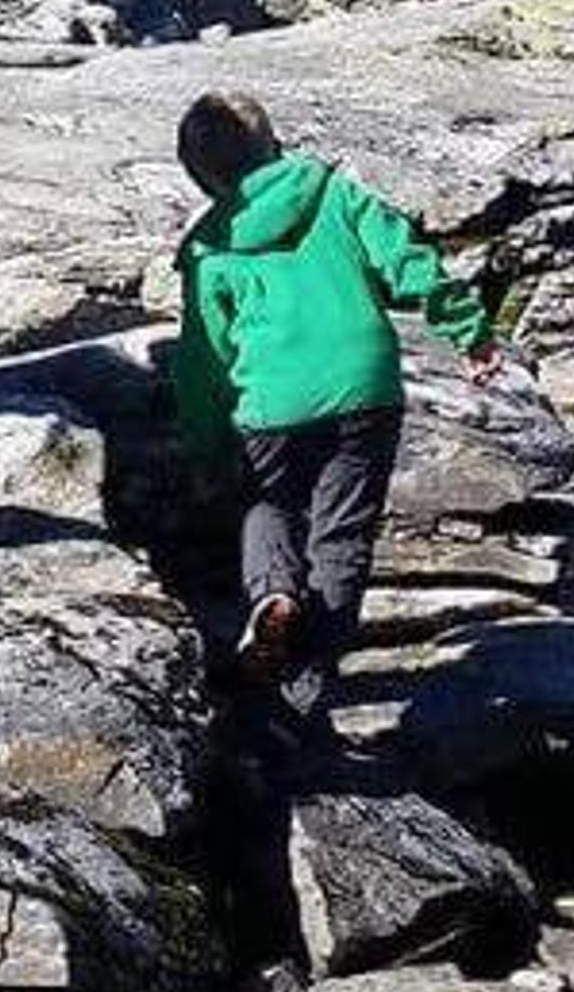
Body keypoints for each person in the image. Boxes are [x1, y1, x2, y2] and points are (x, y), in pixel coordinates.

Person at [169, 90, 496, 743]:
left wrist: (205, 444)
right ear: (275, 143)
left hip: (270, 401)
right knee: (342, 539)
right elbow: (409, 261)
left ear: (202, 174)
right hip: (363, 386)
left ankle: (272, 596)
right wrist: (469, 329)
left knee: (266, 504)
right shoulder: (335, 194)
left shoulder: (210, 245)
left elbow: (203, 357)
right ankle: (304, 687)